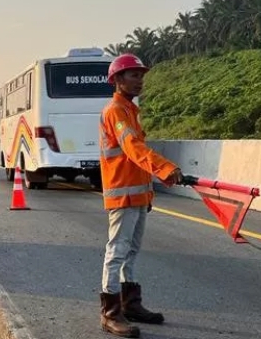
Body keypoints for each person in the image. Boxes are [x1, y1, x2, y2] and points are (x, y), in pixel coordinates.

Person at [98, 53, 184, 338]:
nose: (140, 80)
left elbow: (135, 158)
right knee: (117, 252)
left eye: (141, 75)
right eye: (133, 75)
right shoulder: (115, 111)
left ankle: (130, 304)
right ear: (117, 79)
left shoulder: (131, 111)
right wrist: (165, 168)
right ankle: (110, 313)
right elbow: (134, 149)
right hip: (122, 197)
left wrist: (148, 194)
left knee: (131, 252)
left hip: (137, 196)